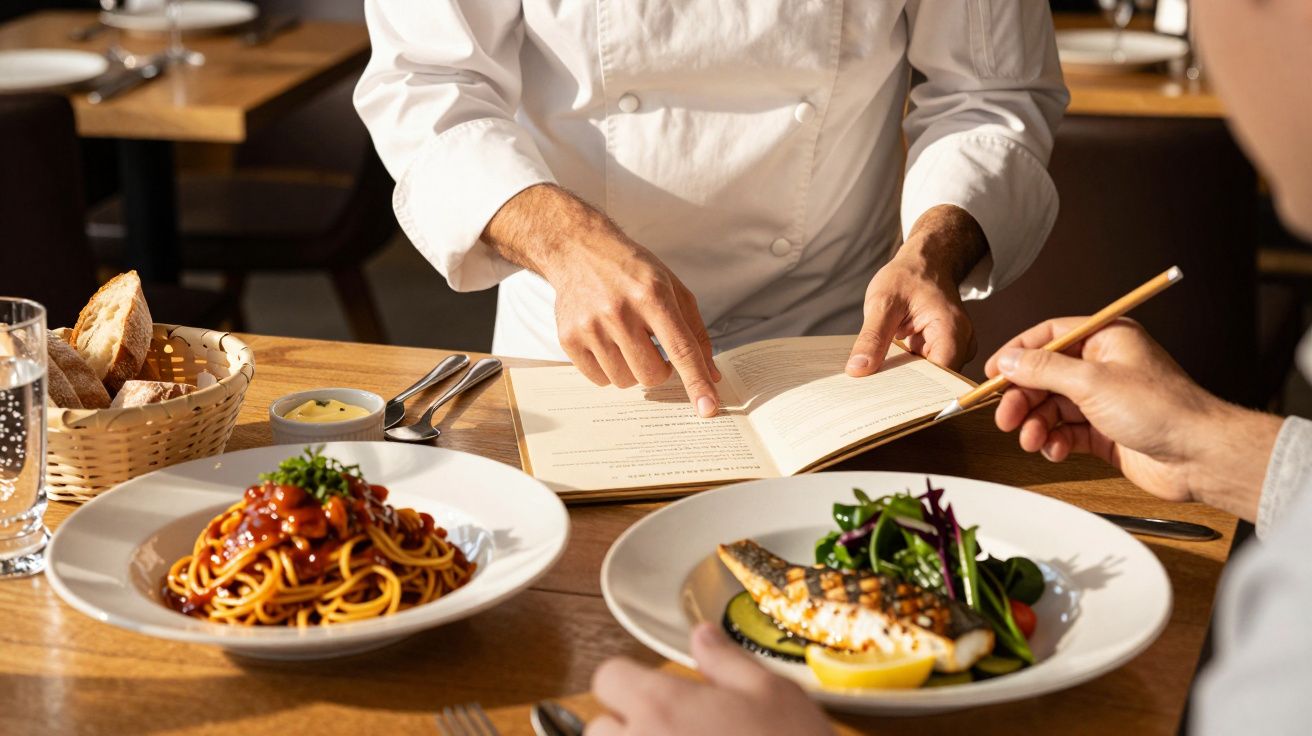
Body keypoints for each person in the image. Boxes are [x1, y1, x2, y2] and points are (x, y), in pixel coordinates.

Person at [587, 0, 1312, 731]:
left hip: (849, 372)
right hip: (593, 373)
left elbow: (994, 89)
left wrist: (930, 252)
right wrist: (1213, 449)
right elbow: (460, 83)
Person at [354, 2, 1068, 417]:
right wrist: (566, 245)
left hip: (837, 347)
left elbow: (993, 90)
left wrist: (933, 253)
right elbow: (426, 82)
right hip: (580, 348)